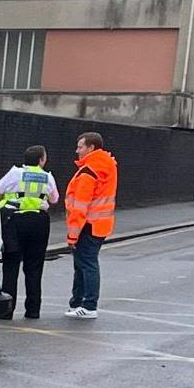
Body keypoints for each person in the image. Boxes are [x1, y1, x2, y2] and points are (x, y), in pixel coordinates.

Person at [0, 145, 61, 319]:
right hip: (39, 223)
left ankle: (6, 311)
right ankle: (33, 310)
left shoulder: (15, 173)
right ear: (41, 160)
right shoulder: (47, 177)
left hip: (15, 222)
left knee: (11, 266)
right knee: (34, 267)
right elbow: (54, 199)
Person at [65, 132, 118, 319]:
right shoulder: (106, 164)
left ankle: (88, 305)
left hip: (88, 225)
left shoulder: (89, 171)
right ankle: (78, 303)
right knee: (84, 264)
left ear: (91, 148)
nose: (77, 150)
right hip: (100, 224)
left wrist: (72, 235)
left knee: (87, 264)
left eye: (80, 146)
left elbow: (80, 205)